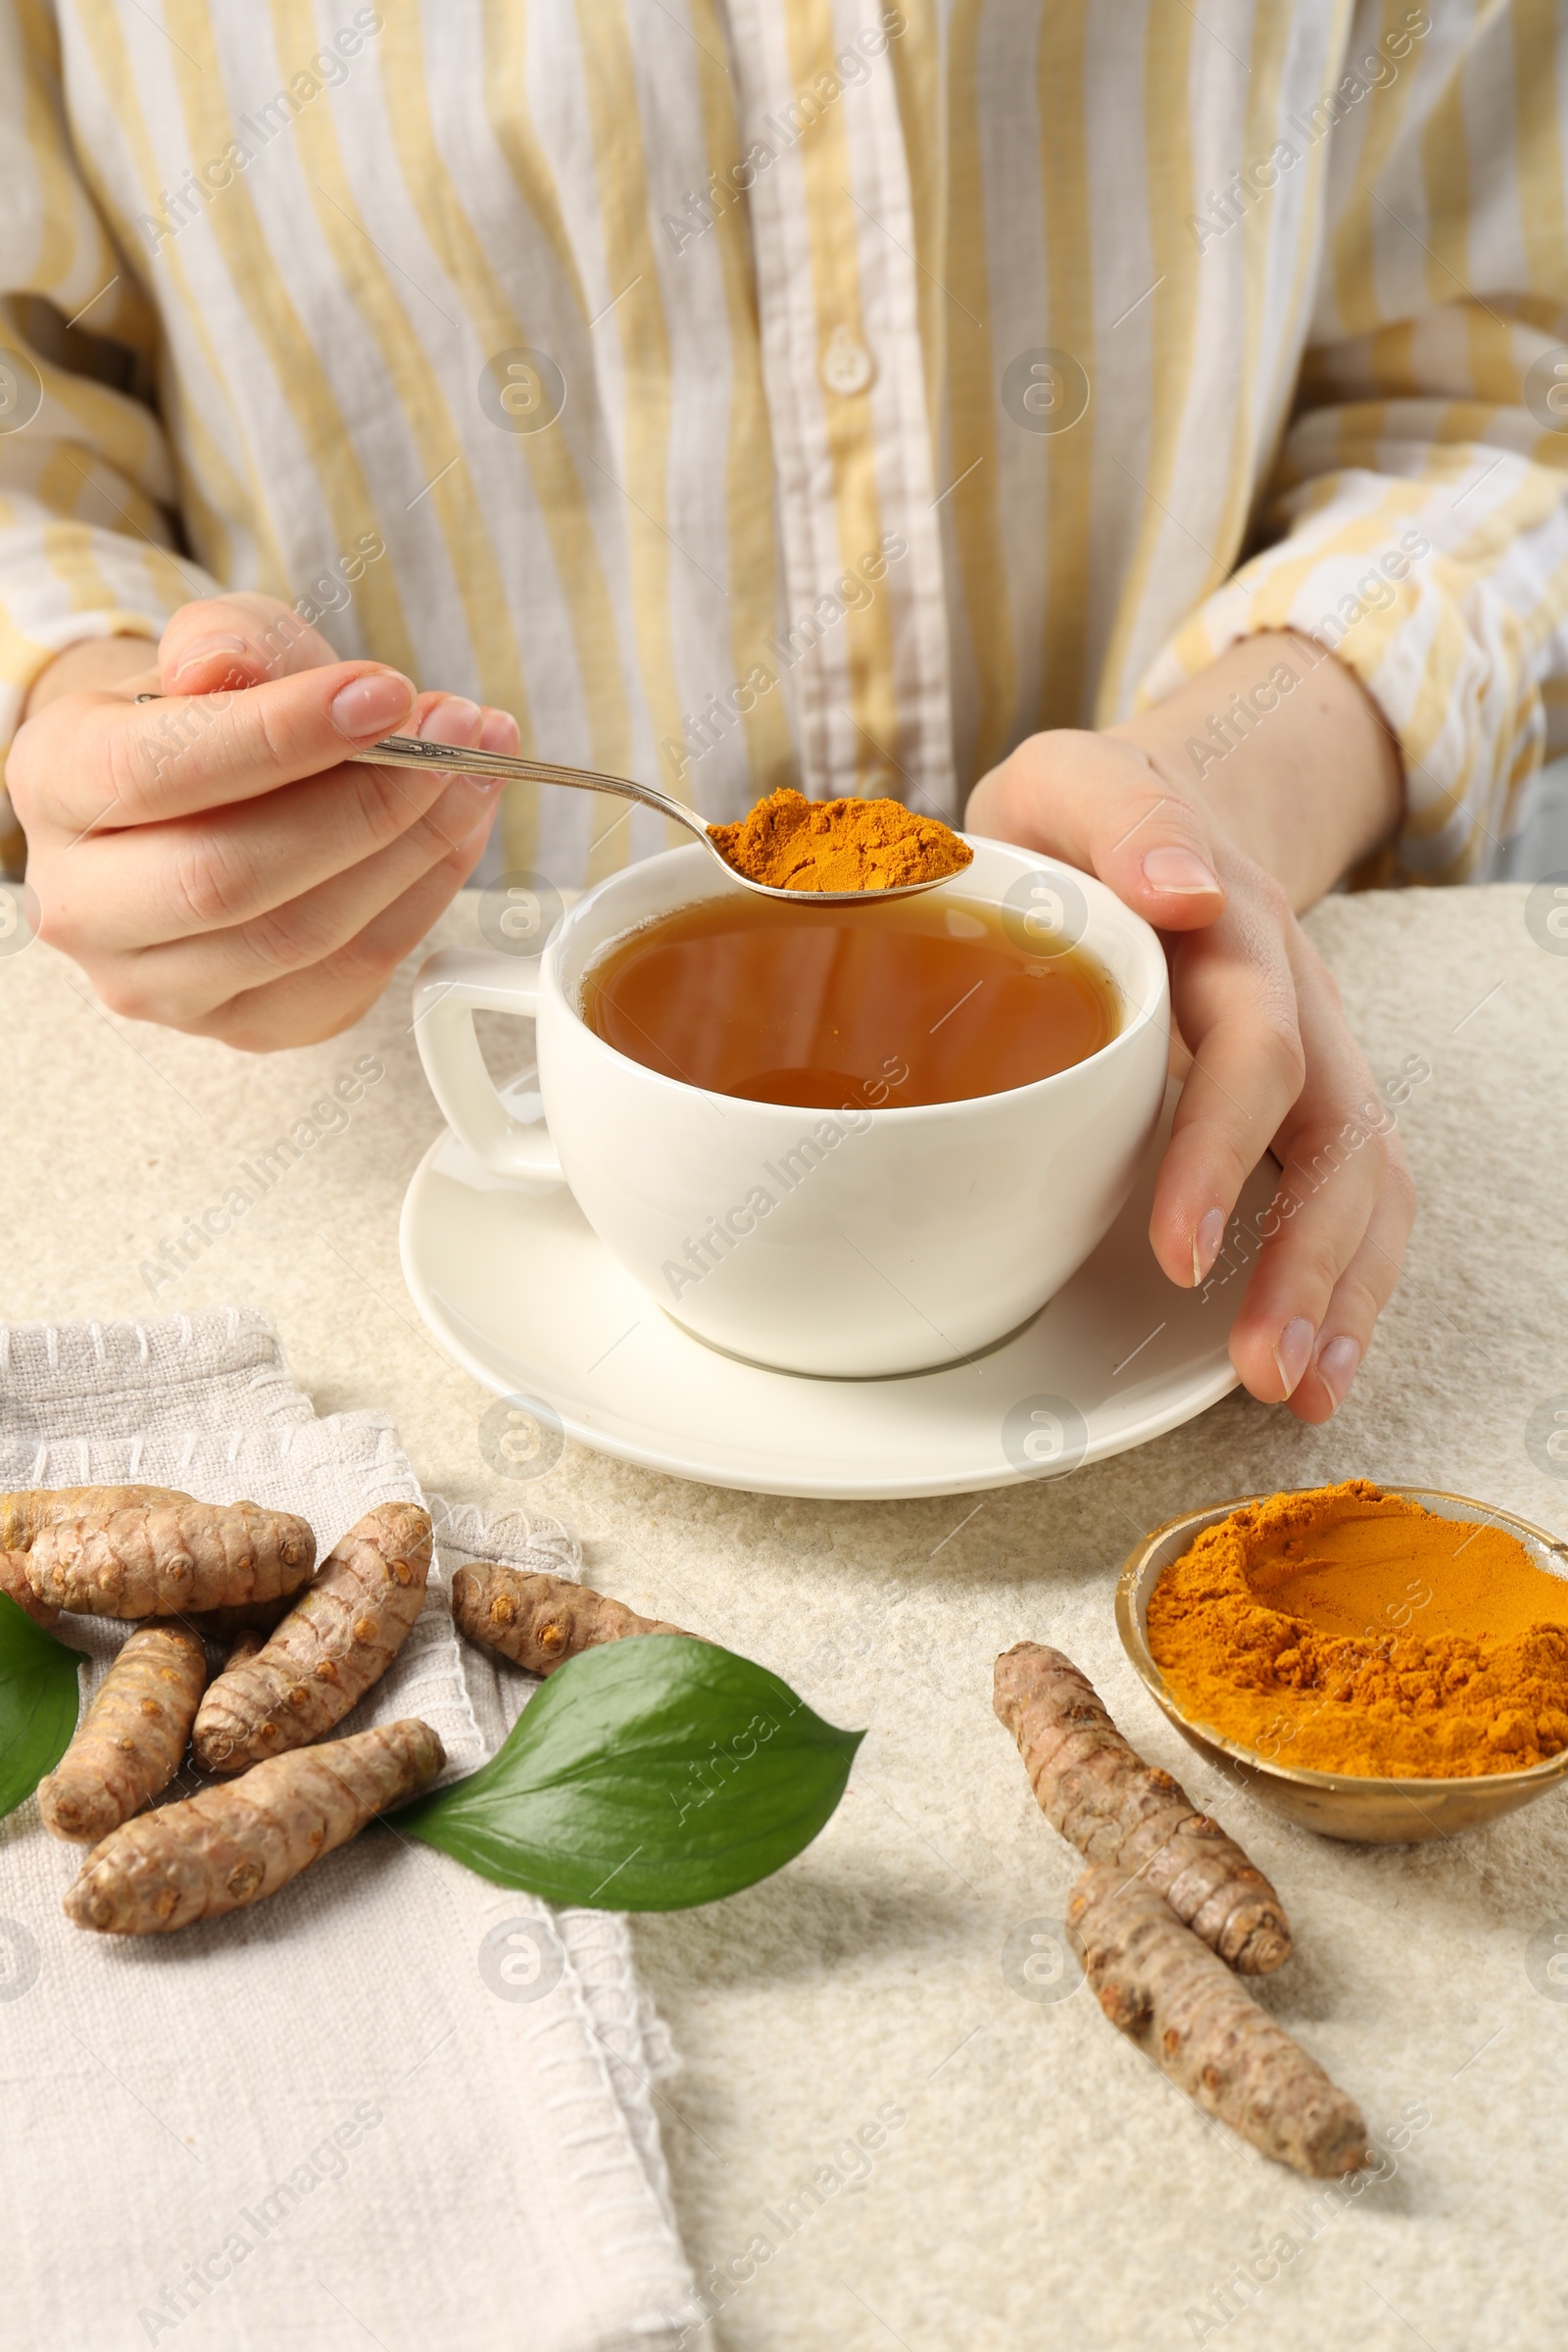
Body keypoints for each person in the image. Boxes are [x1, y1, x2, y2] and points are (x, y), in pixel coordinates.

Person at [3, 2, 1564, 1429]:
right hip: (313, 1143)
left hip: (1186, 1084)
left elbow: (1501, 397)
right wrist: (99, 706)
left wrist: (1228, 792)